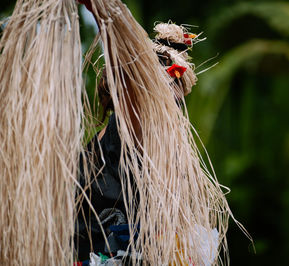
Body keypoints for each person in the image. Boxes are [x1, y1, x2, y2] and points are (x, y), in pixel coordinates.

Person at [75, 2, 200, 263]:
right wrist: (103, 14)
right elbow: (125, 66)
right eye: (164, 97)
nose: (173, 110)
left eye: (177, 101)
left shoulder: (169, 149)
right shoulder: (130, 126)